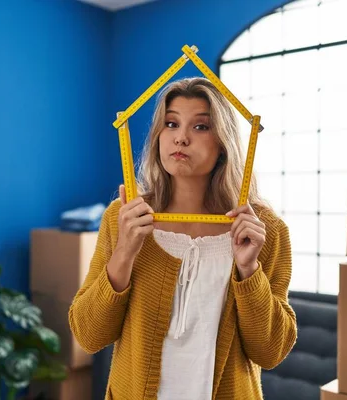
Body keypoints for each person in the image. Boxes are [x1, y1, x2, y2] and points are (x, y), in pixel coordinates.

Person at [68, 77, 297, 399]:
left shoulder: (263, 229)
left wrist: (249, 271)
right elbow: (89, 335)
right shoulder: (124, 218)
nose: (181, 138)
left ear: (223, 143)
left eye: (201, 127)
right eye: (171, 123)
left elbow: (271, 352)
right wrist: (125, 252)